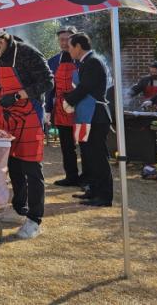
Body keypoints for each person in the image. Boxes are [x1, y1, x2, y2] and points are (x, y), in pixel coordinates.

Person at [0, 30, 54, 240]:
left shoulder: (27, 53)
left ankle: (34, 220)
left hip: (30, 115)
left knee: (31, 168)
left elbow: (47, 82)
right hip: (9, 119)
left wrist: (18, 95)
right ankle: (19, 209)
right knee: (14, 164)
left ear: (0, 42)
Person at [63, 33, 113, 207]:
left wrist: (68, 100)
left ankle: (104, 196)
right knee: (88, 155)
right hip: (86, 115)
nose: (68, 50)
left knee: (98, 157)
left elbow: (85, 87)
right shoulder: (86, 62)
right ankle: (93, 190)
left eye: (70, 47)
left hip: (96, 115)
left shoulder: (93, 61)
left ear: (78, 47)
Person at [45, 26, 83, 187]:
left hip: (81, 108)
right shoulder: (53, 61)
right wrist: (47, 109)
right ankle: (71, 176)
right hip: (61, 109)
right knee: (66, 146)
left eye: (68, 39)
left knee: (86, 145)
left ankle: (88, 179)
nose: (64, 43)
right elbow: (50, 87)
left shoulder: (83, 59)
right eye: (61, 39)